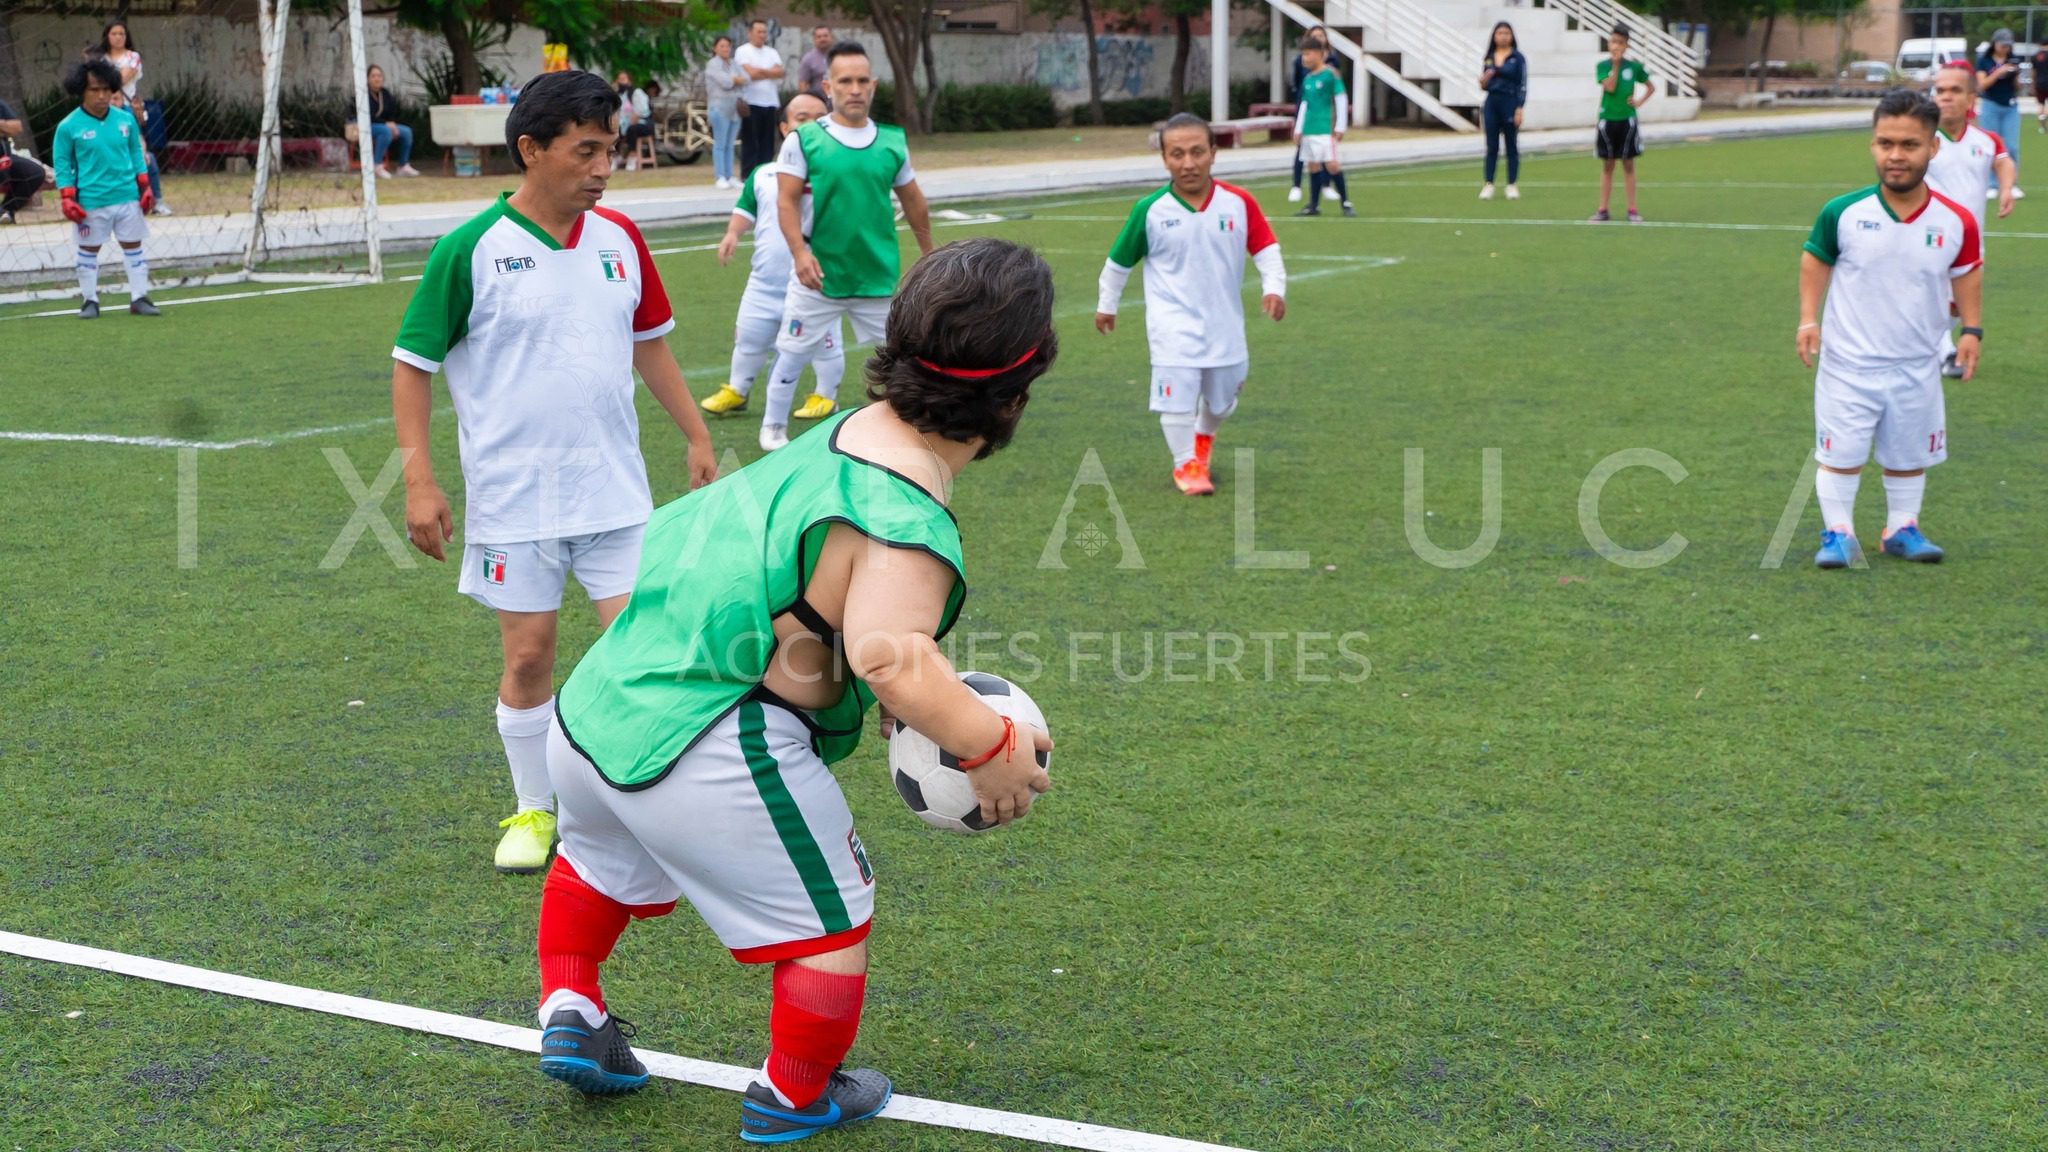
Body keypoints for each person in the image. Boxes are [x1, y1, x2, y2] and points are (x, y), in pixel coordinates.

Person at [532, 236, 1056, 1142]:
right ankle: (795, 1091)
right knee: (831, 929)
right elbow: (894, 655)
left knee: (598, 860)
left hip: (593, 712)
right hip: (707, 740)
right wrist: (989, 746)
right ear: (1016, 393)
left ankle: (571, 1005)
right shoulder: (902, 510)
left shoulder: (839, 440)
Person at [389, 69, 719, 873]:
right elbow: (412, 365)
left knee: (640, 653)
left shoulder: (621, 240)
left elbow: (652, 345)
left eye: (610, 149)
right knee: (530, 658)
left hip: (615, 494)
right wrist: (419, 481)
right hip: (515, 502)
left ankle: (644, 805)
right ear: (532, 150)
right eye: (587, 151)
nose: (604, 167)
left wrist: (697, 435)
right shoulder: (470, 250)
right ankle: (534, 812)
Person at [1796, 89, 1979, 569]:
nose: (1896, 155)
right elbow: (1815, 258)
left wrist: (1972, 330)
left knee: (1908, 452)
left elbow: (1967, 273)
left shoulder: (1955, 220)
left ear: (1932, 147)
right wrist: (1808, 318)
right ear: (1873, 145)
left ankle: (1901, 528)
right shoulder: (1844, 212)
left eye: (1909, 145)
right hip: (1849, 363)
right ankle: (1838, 533)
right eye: (1885, 143)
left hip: (1916, 362)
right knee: (1841, 453)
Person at [1095, 113, 1287, 496]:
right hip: (1172, 328)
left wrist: (1275, 288)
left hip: (1225, 327)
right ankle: (1186, 464)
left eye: (1197, 152)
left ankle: (1203, 437)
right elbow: (1117, 264)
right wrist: (1107, 305)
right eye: (1177, 154)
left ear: (1214, 153)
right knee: (1177, 401)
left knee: (1222, 402)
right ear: (1165, 159)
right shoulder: (1150, 210)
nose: (1188, 163)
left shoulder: (1238, 203)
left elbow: (1266, 248)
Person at [761, 40, 935, 451]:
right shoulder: (804, 139)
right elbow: (785, 200)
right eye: (845, 81)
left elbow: (914, 200)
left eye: (861, 81)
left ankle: (904, 425)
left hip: (876, 275)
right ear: (828, 86)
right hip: (818, 276)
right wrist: (801, 254)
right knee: (792, 350)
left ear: (873, 85)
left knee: (899, 357)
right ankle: (772, 426)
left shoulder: (892, 141)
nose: (854, 89)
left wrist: (931, 256)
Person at [702, 94, 846, 419]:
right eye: (801, 117)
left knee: (824, 343)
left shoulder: (836, 173)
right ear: (784, 127)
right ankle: (738, 390)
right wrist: (732, 233)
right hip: (764, 283)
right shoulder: (764, 174)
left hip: (816, 283)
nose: (809, 125)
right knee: (749, 338)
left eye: (818, 118)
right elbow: (746, 209)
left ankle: (825, 396)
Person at [1925, 63, 2015, 379]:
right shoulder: (1922, 140)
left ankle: (1935, 346)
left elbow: (2003, 163)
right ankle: (1944, 352)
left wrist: (2005, 189)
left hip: (1971, 238)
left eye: (1954, 91)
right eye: (1940, 91)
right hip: (1928, 236)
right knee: (1936, 296)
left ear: (1971, 99)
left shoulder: (1985, 140)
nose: (1945, 97)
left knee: (1957, 304)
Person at [53, 59, 159, 319]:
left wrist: (145, 186)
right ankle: (90, 300)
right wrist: (67, 197)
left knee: (133, 247)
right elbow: (63, 162)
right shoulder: (68, 126)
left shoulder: (125, 120)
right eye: (94, 90)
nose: (101, 96)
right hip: (91, 200)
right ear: (82, 91)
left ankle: (139, 297)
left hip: (127, 197)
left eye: (105, 90)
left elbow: (135, 150)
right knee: (88, 250)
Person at [88, 21, 171, 216]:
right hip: (101, 109)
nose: (118, 37)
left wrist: (105, 78)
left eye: (122, 34)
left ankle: (156, 199)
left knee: (144, 156)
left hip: (125, 108)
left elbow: (120, 79)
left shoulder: (132, 57)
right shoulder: (100, 58)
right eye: (114, 33)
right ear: (107, 36)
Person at [1591, 24, 1651, 223]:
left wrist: (1639, 101)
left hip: (1627, 119)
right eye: (1613, 42)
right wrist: (1615, 66)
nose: (1616, 46)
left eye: (1620, 43)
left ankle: (1632, 210)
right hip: (1607, 120)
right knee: (1608, 165)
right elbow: (1609, 87)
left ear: (1626, 46)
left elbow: (1650, 86)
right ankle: (1603, 209)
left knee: (1628, 164)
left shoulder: (1633, 67)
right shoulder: (1602, 66)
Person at [1292, 40, 1353, 217]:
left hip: (1326, 128)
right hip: (1309, 129)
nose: (1305, 58)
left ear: (1320, 54)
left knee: (1332, 165)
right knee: (1312, 165)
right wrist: (1298, 128)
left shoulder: (1330, 74)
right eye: (1303, 54)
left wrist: (1341, 125)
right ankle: (1314, 205)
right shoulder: (1308, 79)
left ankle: (1346, 203)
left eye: (1308, 53)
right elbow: (1304, 104)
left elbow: (1340, 98)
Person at [1478, 22, 1526, 200]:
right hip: (1492, 102)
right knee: (1491, 146)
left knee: (1511, 145)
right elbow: (1484, 83)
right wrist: (1483, 81)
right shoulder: (1489, 57)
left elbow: (1522, 84)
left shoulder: (1517, 58)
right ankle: (1488, 183)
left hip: (1510, 102)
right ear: (1494, 36)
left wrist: (1519, 107)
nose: (1503, 36)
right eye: (1500, 33)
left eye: (1506, 33)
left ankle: (1511, 184)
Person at [1976, 29, 2025, 198]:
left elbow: (2018, 87)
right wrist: (1998, 72)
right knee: (1990, 146)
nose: (2005, 48)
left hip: (2010, 106)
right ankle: (1992, 184)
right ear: (1994, 44)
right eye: (2002, 45)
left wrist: (2016, 76)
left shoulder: (2014, 60)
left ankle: (2011, 184)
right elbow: (1982, 85)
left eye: (2008, 45)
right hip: (1990, 106)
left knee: (2012, 146)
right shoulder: (1984, 61)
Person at [736, 19, 786, 178]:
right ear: (750, 33)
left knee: (768, 142)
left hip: (770, 102)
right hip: (751, 102)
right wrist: (768, 72)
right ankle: (748, 175)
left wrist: (761, 72)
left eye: (764, 32)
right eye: (759, 32)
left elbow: (780, 72)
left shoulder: (772, 52)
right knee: (751, 141)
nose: (762, 35)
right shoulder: (743, 51)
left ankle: (766, 173)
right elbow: (750, 74)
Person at [1286, 29, 1328, 204]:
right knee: (1303, 149)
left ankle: (1326, 186)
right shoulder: (1301, 64)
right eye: (1314, 36)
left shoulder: (1331, 64)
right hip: (1307, 109)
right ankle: (1297, 186)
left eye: (1321, 36)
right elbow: (1297, 84)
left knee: (1325, 152)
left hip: (1324, 115)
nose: (1318, 38)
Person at [365, 65, 420, 178]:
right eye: (373, 76)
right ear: (368, 79)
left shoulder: (385, 93)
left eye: (379, 76)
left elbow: (391, 113)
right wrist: (386, 124)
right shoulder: (363, 94)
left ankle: (403, 165)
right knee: (385, 131)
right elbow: (367, 116)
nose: (377, 79)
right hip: (367, 125)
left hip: (384, 125)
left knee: (406, 132)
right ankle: (377, 165)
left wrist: (392, 123)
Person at [0, 97, 47, 226]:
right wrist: (4, 128)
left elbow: (17, 127)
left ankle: (6, 210)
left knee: (34, 172)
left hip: (5, 157)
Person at [704, 35, 743, 189]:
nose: (726, 49)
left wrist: (735, 79)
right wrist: (735, 79)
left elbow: (745, 78)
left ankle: (730, 175)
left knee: (730, 144)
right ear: (715, 48)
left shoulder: (733, 63)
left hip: (735, 109)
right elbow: (726, 82)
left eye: (728, 46)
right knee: (720, 143)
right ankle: (720, 176)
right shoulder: (713, 64)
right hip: (719, 107)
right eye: (722, 46)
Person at [614, 71, 654, 170]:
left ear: (629, 81)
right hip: (624, 123)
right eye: (619, 79)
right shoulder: (619, 96)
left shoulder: (636, 93)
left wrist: (634, 117)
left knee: (632, 129)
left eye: (623, 79)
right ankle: (616, 156)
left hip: (642, 123)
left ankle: (633, 155)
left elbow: (642, 110)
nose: (621, 82)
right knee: (613, 129)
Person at [798, 26, 834, 102]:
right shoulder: (808, 59)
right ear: (814, 39)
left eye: (825, 36)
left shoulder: (838, 56)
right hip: (818, 102)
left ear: (831, 37)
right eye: (819, 37)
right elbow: (803, 84)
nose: (822, 39)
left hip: (837, 101)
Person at [2032, 41, 2048, 133]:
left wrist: (2033, 85)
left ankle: (2041, 127)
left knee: (2041, 104)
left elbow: (2034, 72)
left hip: (2039, 83)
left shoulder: (2036, 56)